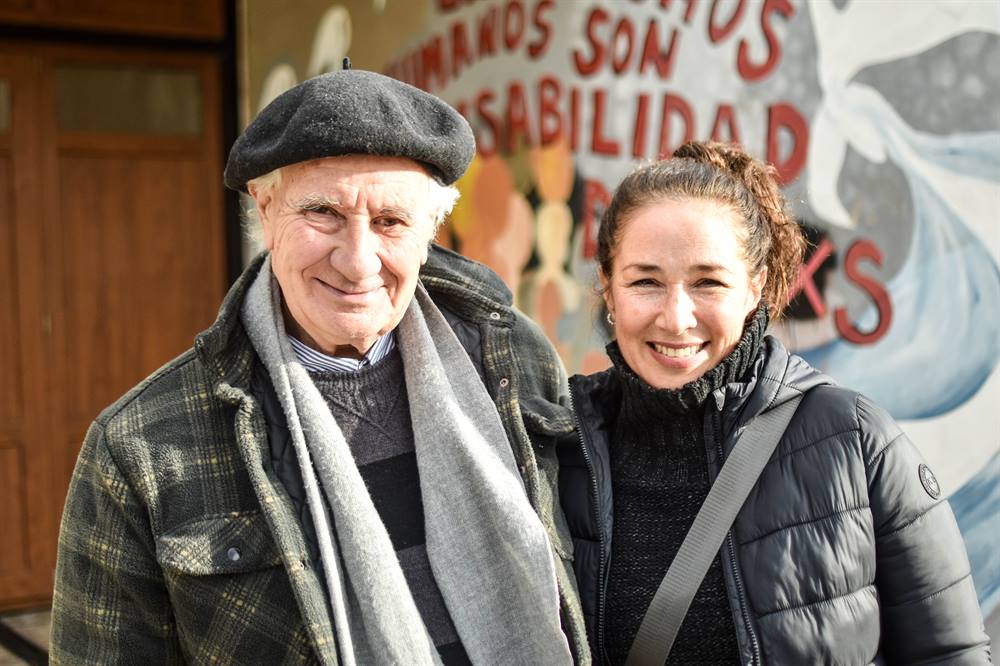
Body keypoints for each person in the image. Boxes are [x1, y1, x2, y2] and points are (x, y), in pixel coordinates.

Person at [51, 67, 587, 665]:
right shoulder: (140, 445)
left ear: (429, 231)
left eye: (390, 222)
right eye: (323, 212)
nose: (358, 262)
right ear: (266, 206)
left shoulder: (514, 360)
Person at [558, 141, 991, 664]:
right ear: (608, 286)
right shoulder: (557, 447)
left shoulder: (855, 442)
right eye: (645, 281)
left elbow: (949, 654)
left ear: (754, 288)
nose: (676, 318)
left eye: (708, 282)